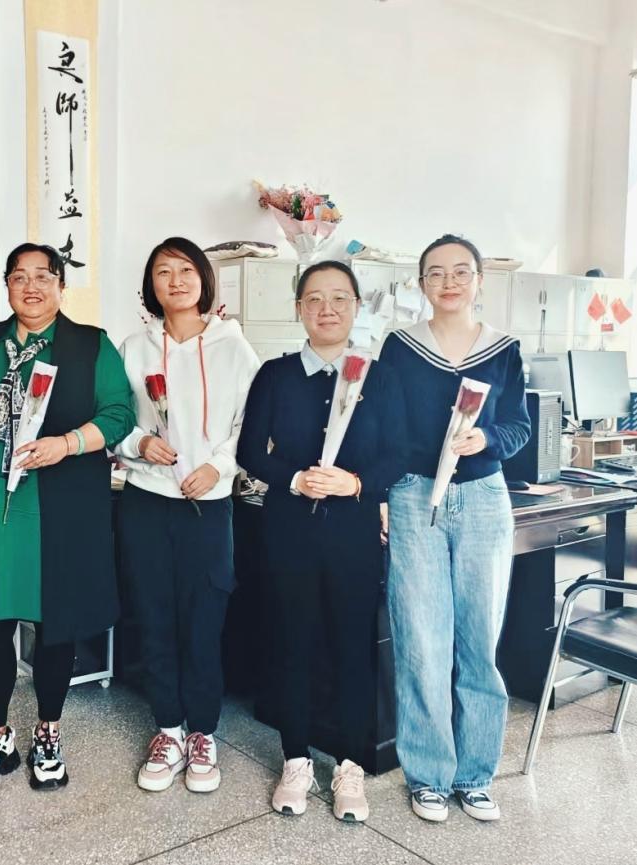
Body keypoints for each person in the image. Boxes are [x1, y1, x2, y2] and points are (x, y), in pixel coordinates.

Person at [0, 242, 135, 793]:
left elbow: (120, 414)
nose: (31, 287)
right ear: (6, 285)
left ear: (60, 285)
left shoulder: (90, 345)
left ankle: (48, 730)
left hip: (61, 509)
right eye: (19, 277)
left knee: (56, 624)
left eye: (43, 276)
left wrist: (68, 443)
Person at [236, 260, 406, 822]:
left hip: (353, 532)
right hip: (288, 530)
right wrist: (293, 479)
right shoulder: (276, 375)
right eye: (314, 299)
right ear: (298, 310)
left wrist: (356, 483)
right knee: (292, 644)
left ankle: (350, 765)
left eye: (339, 298)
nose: (326, 309)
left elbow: (398, 454)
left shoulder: (378, 376)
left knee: (353, 647)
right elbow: (249, 451)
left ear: (356, 307)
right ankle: (296, 759)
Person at [380, 234, 530, 823]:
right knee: (421, 642)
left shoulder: (504, 348)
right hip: (414, 496)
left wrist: (485, 436)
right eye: (436, 273)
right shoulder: (401, 346)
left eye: (461, 271)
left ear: (479, 280)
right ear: (421, 284)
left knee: (479, 642)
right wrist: (381, 496)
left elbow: (517, 425)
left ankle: (475, 776)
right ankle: (429, 777)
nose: (449, 282)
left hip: (485, 499)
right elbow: (384, 425)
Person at [115, 237, 260, 794]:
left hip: (208, 504)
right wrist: (137, 444)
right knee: (153, 617)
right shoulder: (134, 347)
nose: (175, 281)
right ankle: (168, 729)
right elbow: (114, 416)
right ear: (150, 285)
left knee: (203, 622)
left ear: (203, 279)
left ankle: (202, 731)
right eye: (162, 272)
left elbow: (249, 424)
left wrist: (218, 467)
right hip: (147, 500)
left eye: (185, 270)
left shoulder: (234, 348)